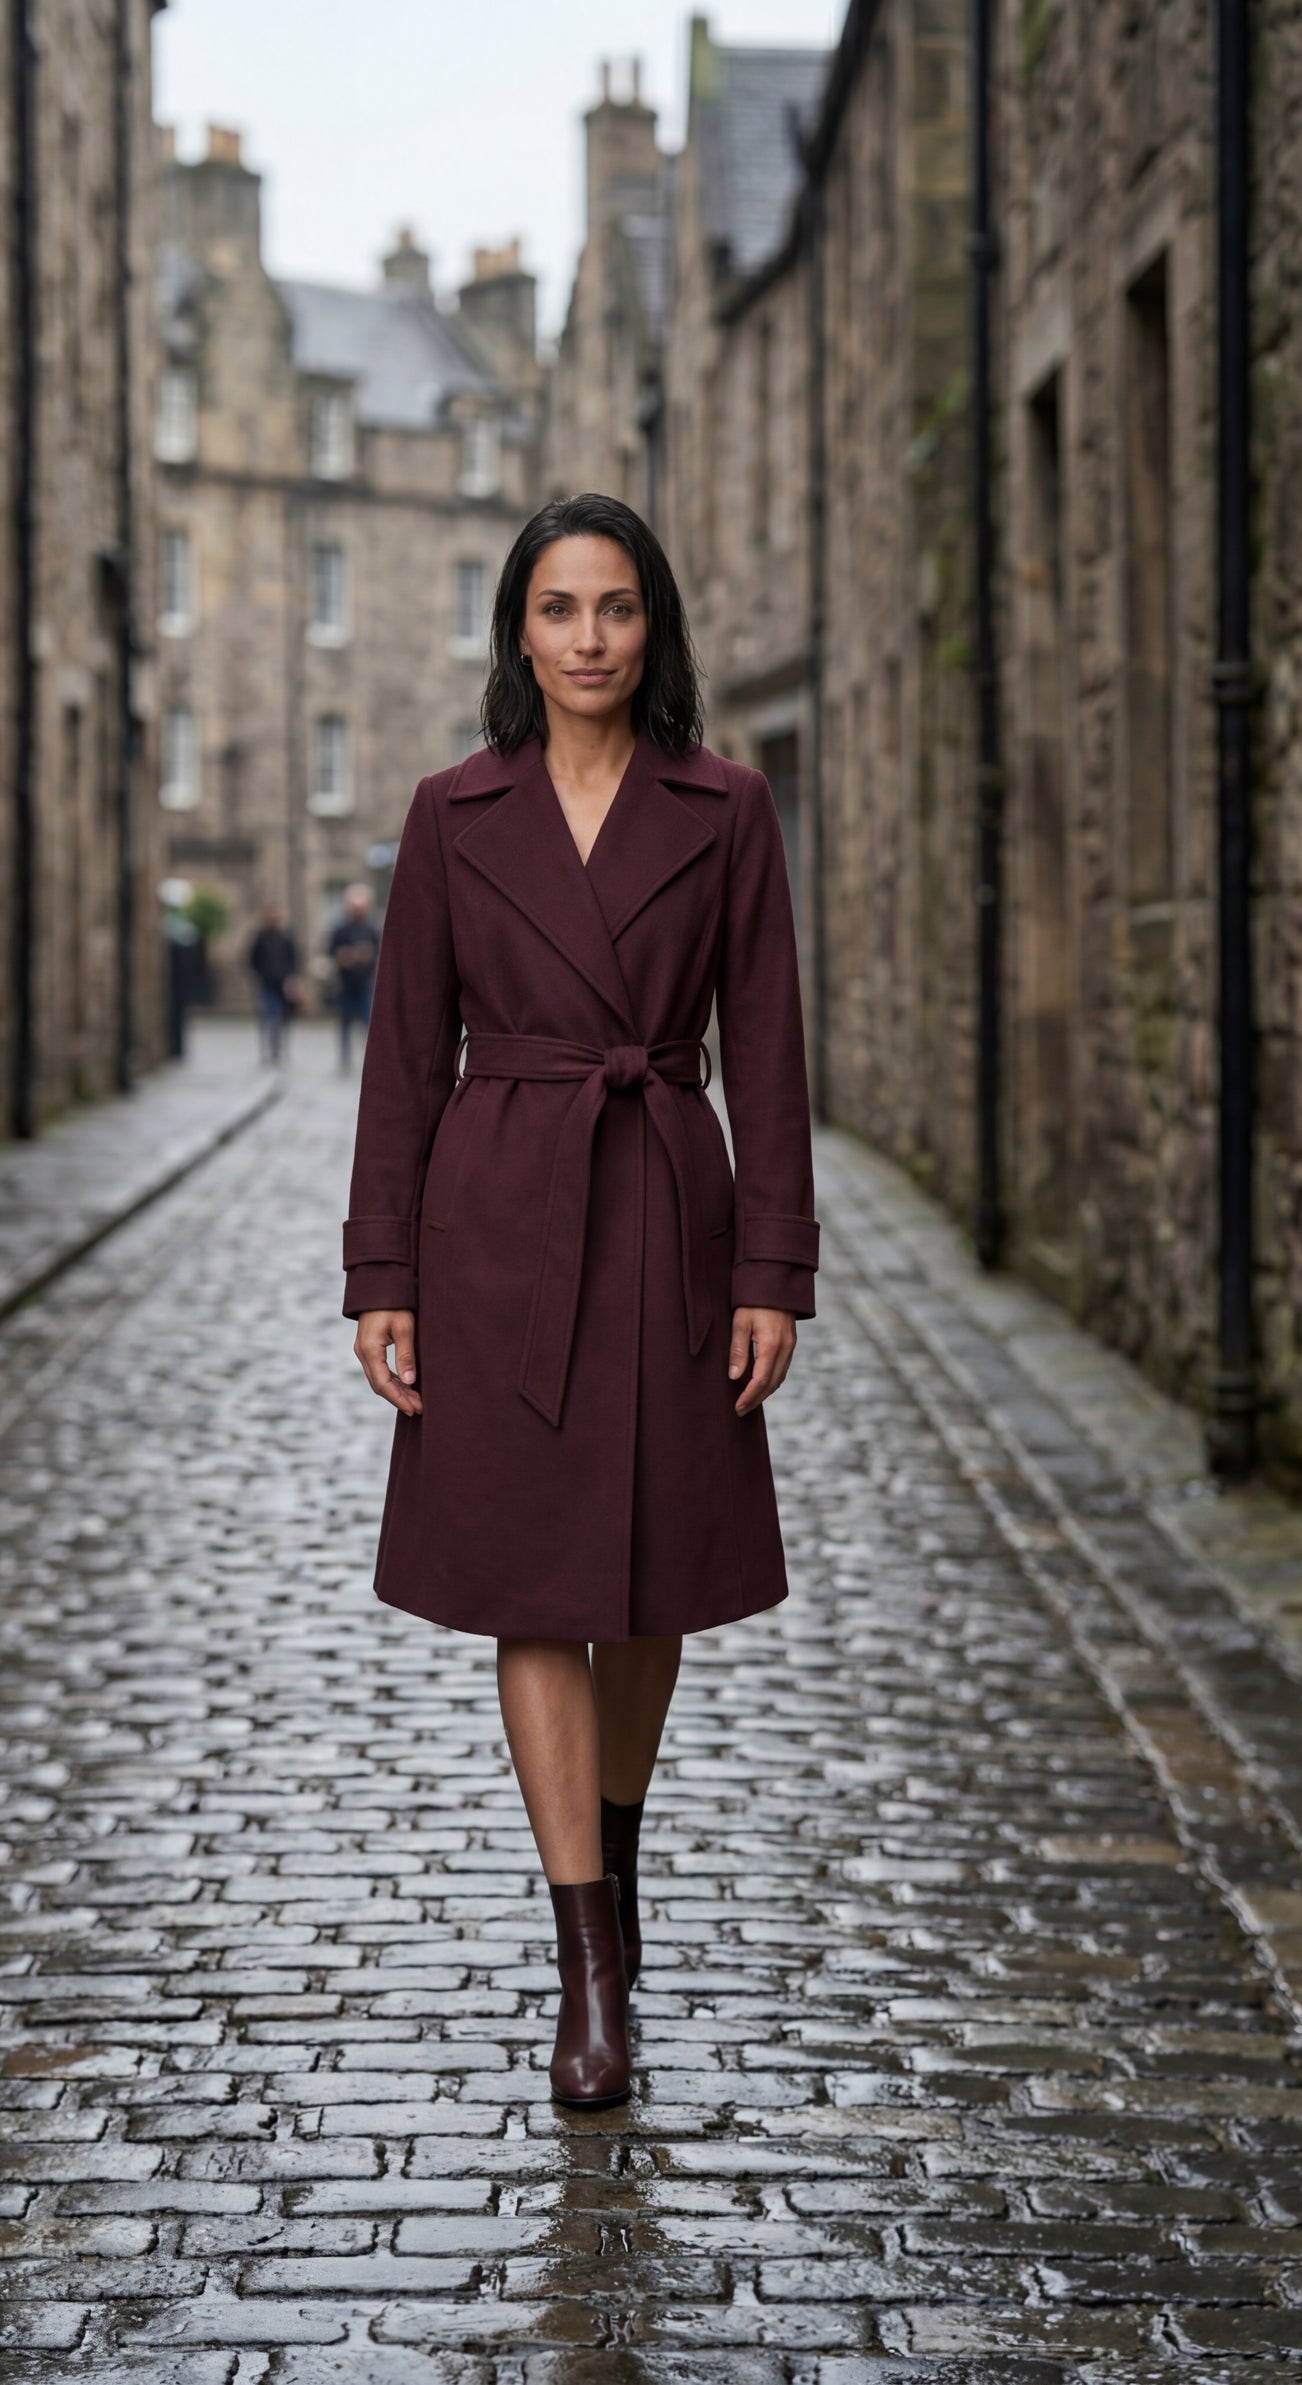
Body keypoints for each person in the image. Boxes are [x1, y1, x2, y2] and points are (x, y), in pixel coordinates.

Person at [342, 493, 817, 2109]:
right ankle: (588, 1961)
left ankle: (615, 1849)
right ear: (520, 633)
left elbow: (768, 1048)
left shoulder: (729, 806)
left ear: (651, 625)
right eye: (559, 609)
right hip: (497, 1227)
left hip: (670, 1209)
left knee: (652, 1587)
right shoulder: (452, 813)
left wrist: (773, 1269)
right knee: (535, 1590)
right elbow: (404, 1054)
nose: (590, 638)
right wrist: (382, 1272)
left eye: (616, 607)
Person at [329, 884, 380, 1076]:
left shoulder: (371, 928)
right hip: (346, 983)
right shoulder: (341, 929)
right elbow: (331, 951)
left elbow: (380, 953)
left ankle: (371, 1060)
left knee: (368, 1024)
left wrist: (367, 955)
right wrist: (344, 956)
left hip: (365, 982)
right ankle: (345, 1060)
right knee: (345, 1024)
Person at [246, 904, 300, 1066]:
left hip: (282, 984)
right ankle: (267, 1049)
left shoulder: (286, 937)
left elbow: (294, 960)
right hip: (266, 983)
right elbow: (252, 960)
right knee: (267, 1016)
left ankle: (279, 1049)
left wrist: (291, 979)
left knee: (282, 1018)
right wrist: (261, 973)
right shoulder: (261, 938)